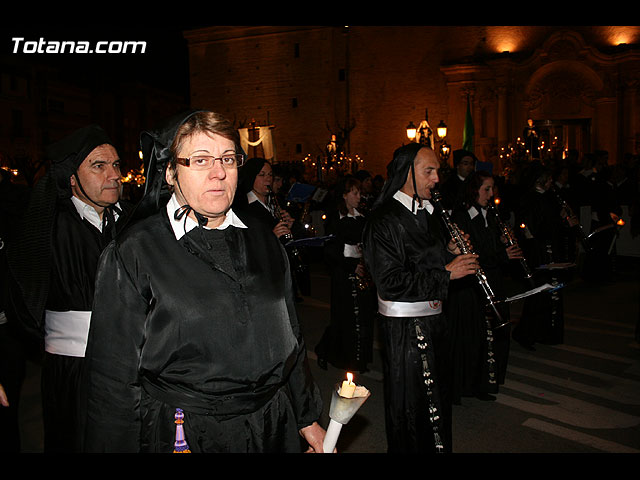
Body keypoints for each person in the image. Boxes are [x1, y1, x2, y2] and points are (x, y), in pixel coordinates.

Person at [79, 110, 326, 453]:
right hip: (188, 433)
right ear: (170, 172)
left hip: (272, 425)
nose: (219, 172)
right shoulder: (135, 251)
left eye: (228, 158)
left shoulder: (264, 241)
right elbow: (113, 380)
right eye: (200, 160)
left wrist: (307, 417)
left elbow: (292, 338)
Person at [6, 124, 130, 453]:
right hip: (73, 373)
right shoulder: (45, 229)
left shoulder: (133, 224)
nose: (114, 175)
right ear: (71, 178)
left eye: (116, 164)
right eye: (99, 165)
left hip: (130, 369)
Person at [362, 143, 479, 453]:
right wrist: (447, 274)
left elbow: (423, 259)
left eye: (437, 171)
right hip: (405, 332)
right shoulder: (383, 220)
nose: (436, 179)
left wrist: (449, 253)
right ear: (406, 173)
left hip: (433, 322)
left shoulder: (427, 213)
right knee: (412, 407)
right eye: (429, 171)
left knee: (437, 401)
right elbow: (390, 282)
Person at [446, 171, 523, 403]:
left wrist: (504, 243)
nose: (491, 195)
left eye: (492, 189)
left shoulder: (490, 214)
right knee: (472, 336)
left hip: (493, 280)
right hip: (471, 286)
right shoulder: (462, 216)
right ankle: (464, 385)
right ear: (474, 190)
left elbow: (489, 246)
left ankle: (485, 382)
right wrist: (502, 253)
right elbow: (474, 253)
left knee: (492, 334)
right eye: (486, 189)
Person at [315, 176, 375, 373]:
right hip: (344, 273)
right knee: (344, 318)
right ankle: (330, 352)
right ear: (344, 195)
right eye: (355, 193)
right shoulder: (335, 218)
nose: (359, 197)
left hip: (362, 272)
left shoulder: (362, 216)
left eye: (359, 193)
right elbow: (330, 250)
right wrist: (351, 265)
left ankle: (359, 358)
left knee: (363, 316)